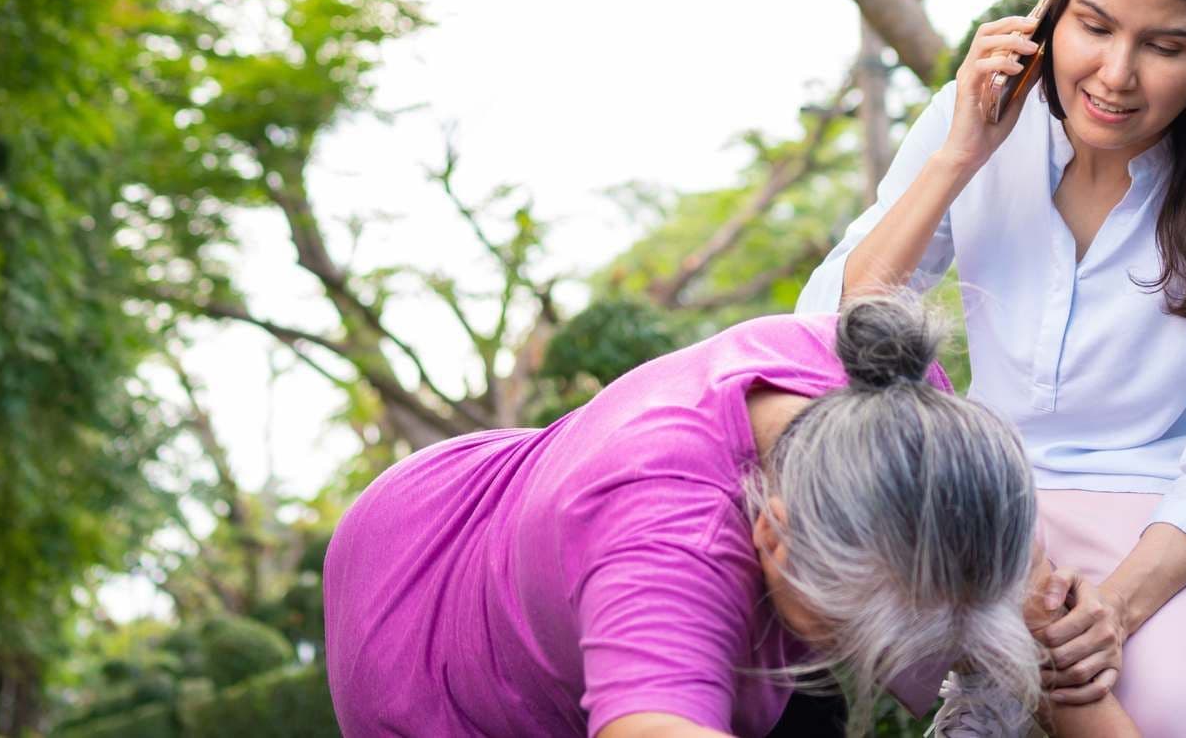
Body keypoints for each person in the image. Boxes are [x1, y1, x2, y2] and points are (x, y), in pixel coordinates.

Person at [798, 0, 1186, 738]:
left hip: (1161, 513)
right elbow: (837, 331)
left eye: (1166, 46)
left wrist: (1109, 612)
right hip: (988, 503)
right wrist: (960, 156)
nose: (1116, 74)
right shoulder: (972, 119)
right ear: (1053, 7)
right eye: (1094, 25)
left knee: (1183, 718)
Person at [322, 293, 1045, 738]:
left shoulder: (896, 406)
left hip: (533, 495)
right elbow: (653, 726)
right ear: (774, 534)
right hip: (420, 611)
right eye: (856, 624)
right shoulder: (666, 540)